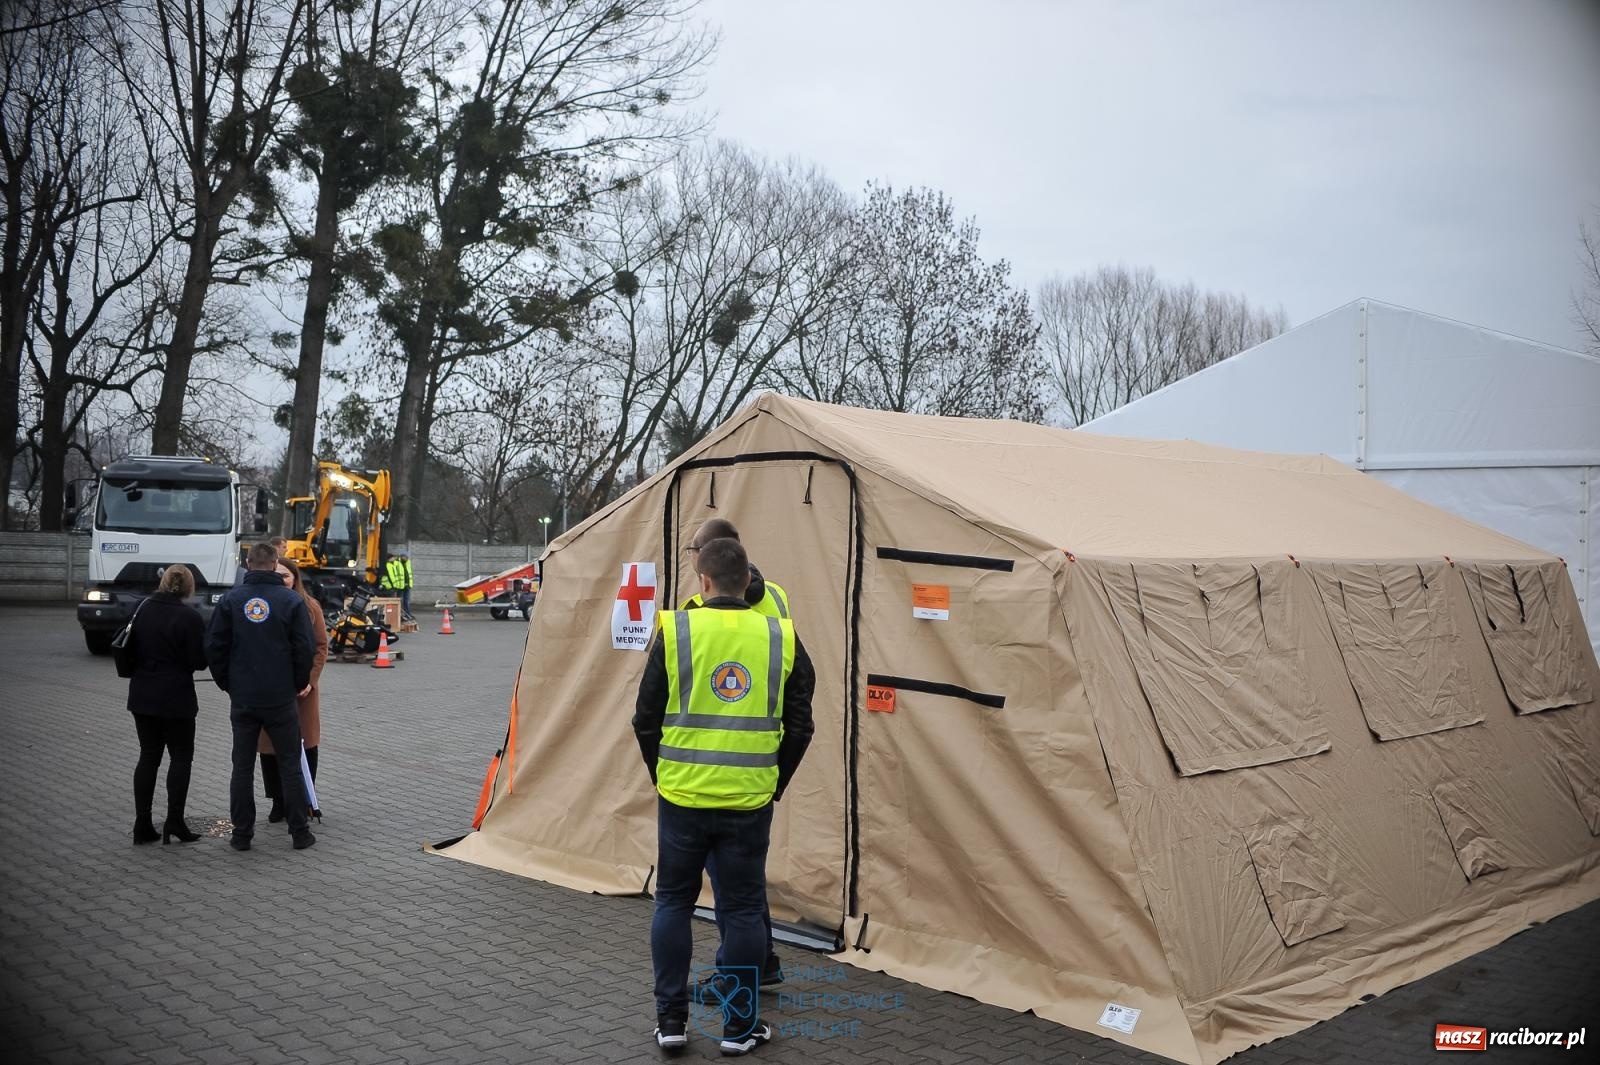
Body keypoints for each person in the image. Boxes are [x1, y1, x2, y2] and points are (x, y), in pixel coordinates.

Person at [634, 538, 815, 1056]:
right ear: (749, 582)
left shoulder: (677, 630)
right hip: (748, 801)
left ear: (704, 581)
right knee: (741, 911)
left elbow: (644, 718)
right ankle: (739, 1028)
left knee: (673, 902)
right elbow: (802, 722)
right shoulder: (781, 635)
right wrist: (774, 781)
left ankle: (671, 1022)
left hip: (683, 796)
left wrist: (663, 775)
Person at [681, 518, 791, 987]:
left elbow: (656, 706)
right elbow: (798, 685)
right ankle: (763, 962)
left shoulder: (695, 612)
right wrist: (780, 768)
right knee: (745, 886)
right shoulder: (777, 597)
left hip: (706, 775)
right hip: (759, 763)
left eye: (693, 553)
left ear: (705, 563)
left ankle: (736, 976)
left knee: (729, 893)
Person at [206, 542, 317, 852]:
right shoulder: (291, 601)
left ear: (247, 562)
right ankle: (299, 833)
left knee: (242, 767)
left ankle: (242, 835)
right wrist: (297, 683)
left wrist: (228, 683)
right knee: (290, 764)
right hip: (280, 697)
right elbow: (305, 648)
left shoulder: (231, 600)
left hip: (244, 697)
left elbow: (214, 645)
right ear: (275, 562)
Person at [125, 565, 209, 845]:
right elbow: (198, 662)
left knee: (148, 756)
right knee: (181, 756)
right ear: (189, 588)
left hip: (142, 694)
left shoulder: (140, 608)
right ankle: (175, 821)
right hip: (176, 697)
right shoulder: (190, 617)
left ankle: (142, 823)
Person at [258, 558, 329, 823]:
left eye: (286, 575)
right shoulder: (263, 605)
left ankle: (305, 799)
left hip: (303, 691)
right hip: (273, 690)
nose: (281, 580)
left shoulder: (310, 607)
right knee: (270, 748)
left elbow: (321, 646)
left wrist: (310, 680)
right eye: (276, 575)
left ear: (295, 578)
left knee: (306, 744)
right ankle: (278, 801)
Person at [682, 518, 790, 619]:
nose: (691, 555)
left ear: (704, 553)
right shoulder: (776, 593)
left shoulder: (691, 609)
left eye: (692, 550)